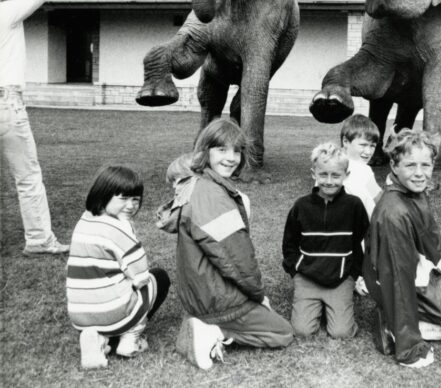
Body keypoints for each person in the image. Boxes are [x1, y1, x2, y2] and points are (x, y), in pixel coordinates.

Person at [162, 119, 293, 370]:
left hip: (201, 294)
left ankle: (198, 321)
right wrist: (258, 295)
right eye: (222, 149)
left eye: (236, 150)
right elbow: (236, 260)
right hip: (216, 300)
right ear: (205, 151)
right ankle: (212, 330)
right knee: (283, 333)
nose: (231, 157)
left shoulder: (201, 184)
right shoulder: (212, 197)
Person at [363, 129, 441, 368]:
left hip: (417, 273)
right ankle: (393, 325)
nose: (419, 173)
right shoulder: (393, 213)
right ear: (394, 167)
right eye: (410, 165)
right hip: (403, 283)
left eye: (425, 165)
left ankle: (409, 316)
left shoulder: (411, 192)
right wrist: (409, 345)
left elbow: (429, 240)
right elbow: (397, 277)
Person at [1, 0, 80, 255]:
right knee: (28, 177)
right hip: (6, 106)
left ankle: (39, 240)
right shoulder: (8, 12)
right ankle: (38, 240)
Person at [67, 165, 170, 369]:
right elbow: (140, 276)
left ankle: (96, 338)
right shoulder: (119, 228)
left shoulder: (84, 220)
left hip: (80, 314)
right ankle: (130, 337)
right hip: (113, 312)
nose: (131, 205)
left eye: (135, 200)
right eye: (123, 198)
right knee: (157, 278)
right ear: (104, 195)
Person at [281, 142, 369, 338]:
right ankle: (312, 305)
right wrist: (296, 272)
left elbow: (362, 243)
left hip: (340, 279)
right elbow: (289, 245)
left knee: (341, 333)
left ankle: (338, 305)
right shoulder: (301, 206)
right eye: (323, 174)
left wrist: (353, 274)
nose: (329, 181)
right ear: (314, 174)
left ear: (346, 175)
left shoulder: (354, 206)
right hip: (307, 278)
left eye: (336, 175)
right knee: (302, 331)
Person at [340, 114, 382, 219]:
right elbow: (380, 200)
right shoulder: (363, 169)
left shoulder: (328, 165)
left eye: (372, 146)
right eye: (363, 145)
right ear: (345, 141)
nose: (368, 152)